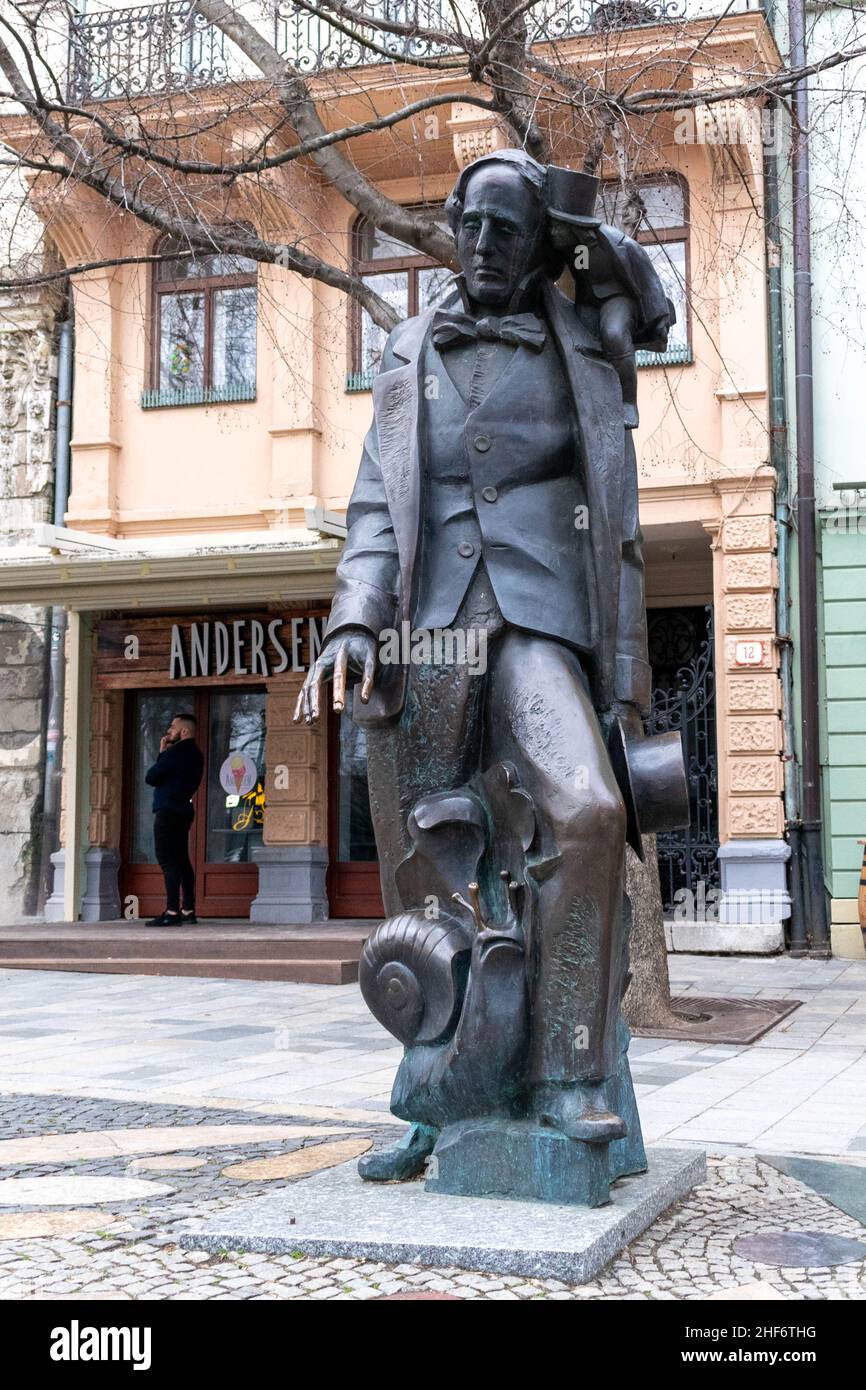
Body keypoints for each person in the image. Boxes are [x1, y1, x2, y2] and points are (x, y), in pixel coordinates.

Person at [295, 149, 667, 1181]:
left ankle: (570, 1074)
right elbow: (376, 503)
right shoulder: (408, 350)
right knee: (423, 870)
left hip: (539, 621)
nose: (488, 248)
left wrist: (584, 231)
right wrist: (353, 620)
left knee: (585, 811)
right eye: (474, 227)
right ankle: (436, 1099)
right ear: (452, 228)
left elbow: (647, 297)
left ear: (540, 242)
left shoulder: (586, 341)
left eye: (511, 231)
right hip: (429, 635)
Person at [144, 712, 204, 926]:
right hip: (184, 811)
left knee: (168, 861)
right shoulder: (197, 755)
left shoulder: (174, 753)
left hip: (167, 811)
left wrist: (162, 753)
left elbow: (151, 777)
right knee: (182, 861)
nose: (169, 731)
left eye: (172, 727)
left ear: (184, 731)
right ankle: (188, 910)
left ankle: (171, 912)